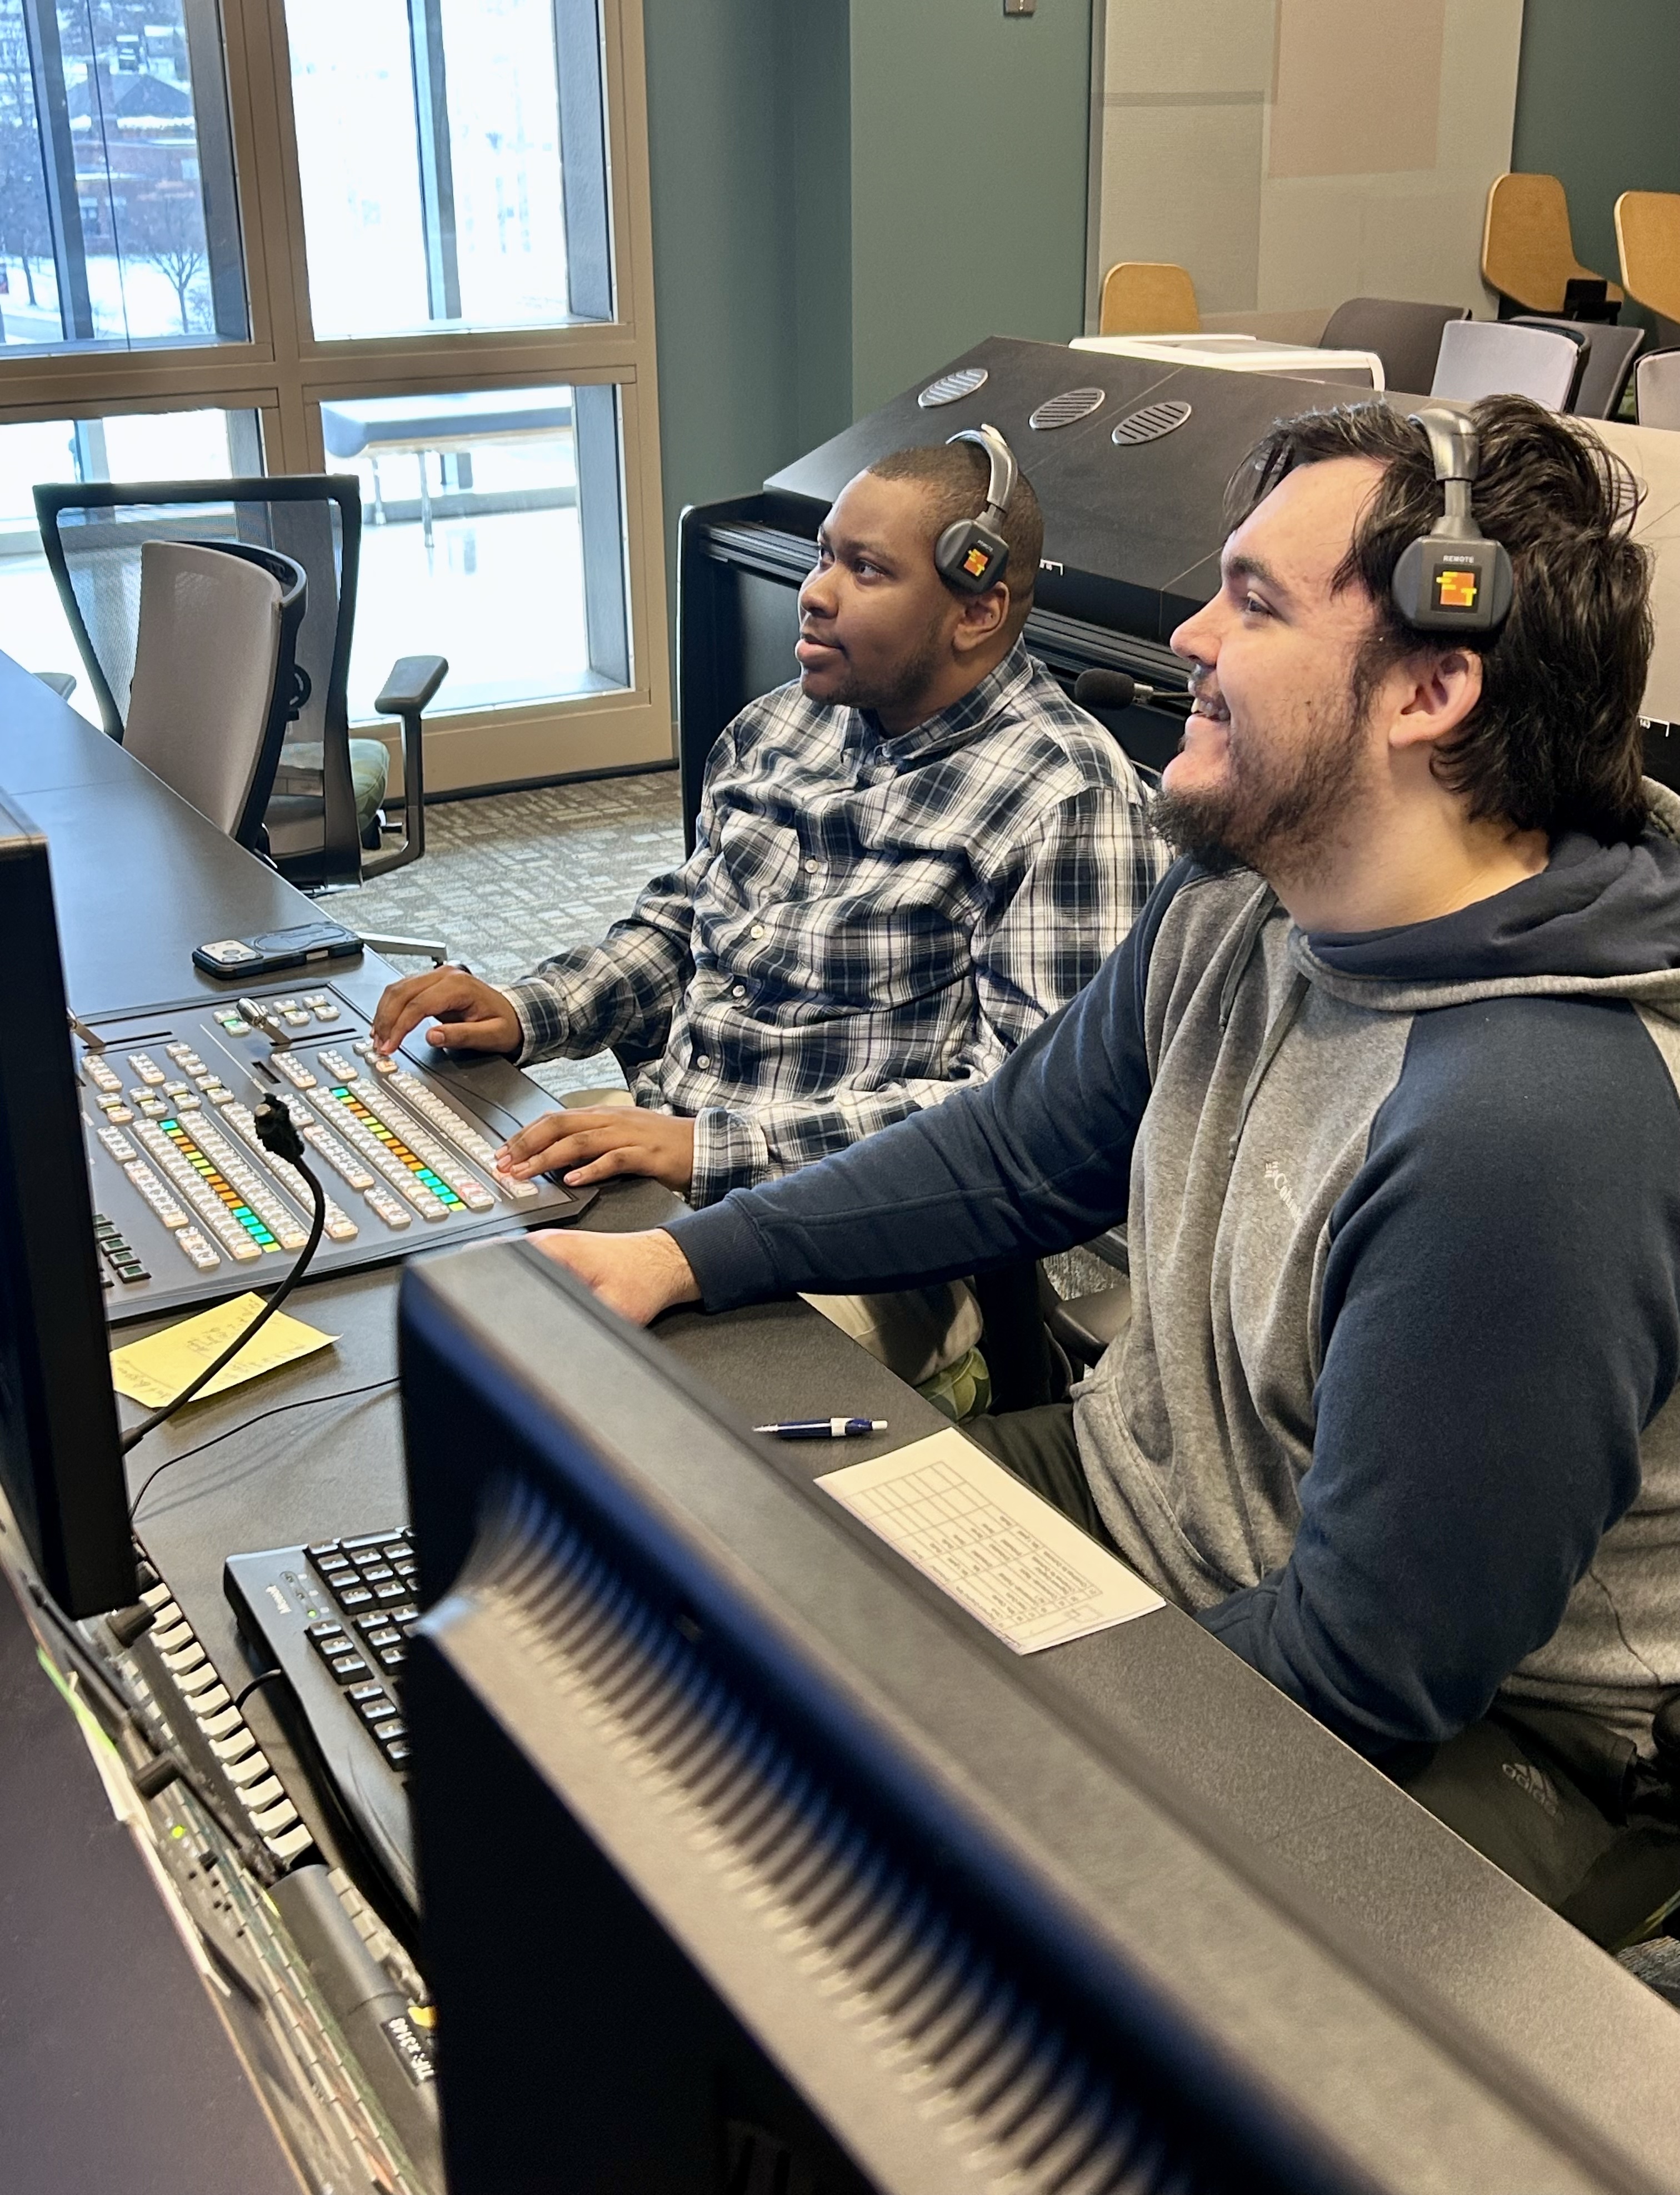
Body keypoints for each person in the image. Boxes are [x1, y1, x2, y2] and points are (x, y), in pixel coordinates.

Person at [531, 396, 1680, 1941]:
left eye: (1254, 601)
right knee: (699, 1580)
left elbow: (1372, 1670)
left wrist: (970, 1741)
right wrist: (682, 1257)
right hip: (1144, 1500)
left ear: (1433, 685)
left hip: (1486, 1737)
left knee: (911, 1905)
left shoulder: (1531, 1127)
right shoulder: (1244, 900)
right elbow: (1017, 1152)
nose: (1192, 637)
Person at [372, 438, 1164, 1220]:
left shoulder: (1066, 799)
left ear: (979, 609)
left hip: (853, 1220)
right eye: (824, 556)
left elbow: (1025, 1112)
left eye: (867, 569)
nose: (816, 592)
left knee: (549, 1334)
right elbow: (685, 927)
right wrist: (527, 1011)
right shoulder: (783, 724)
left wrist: (710, 1150)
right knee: (436, 1248)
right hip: (670, 1137)